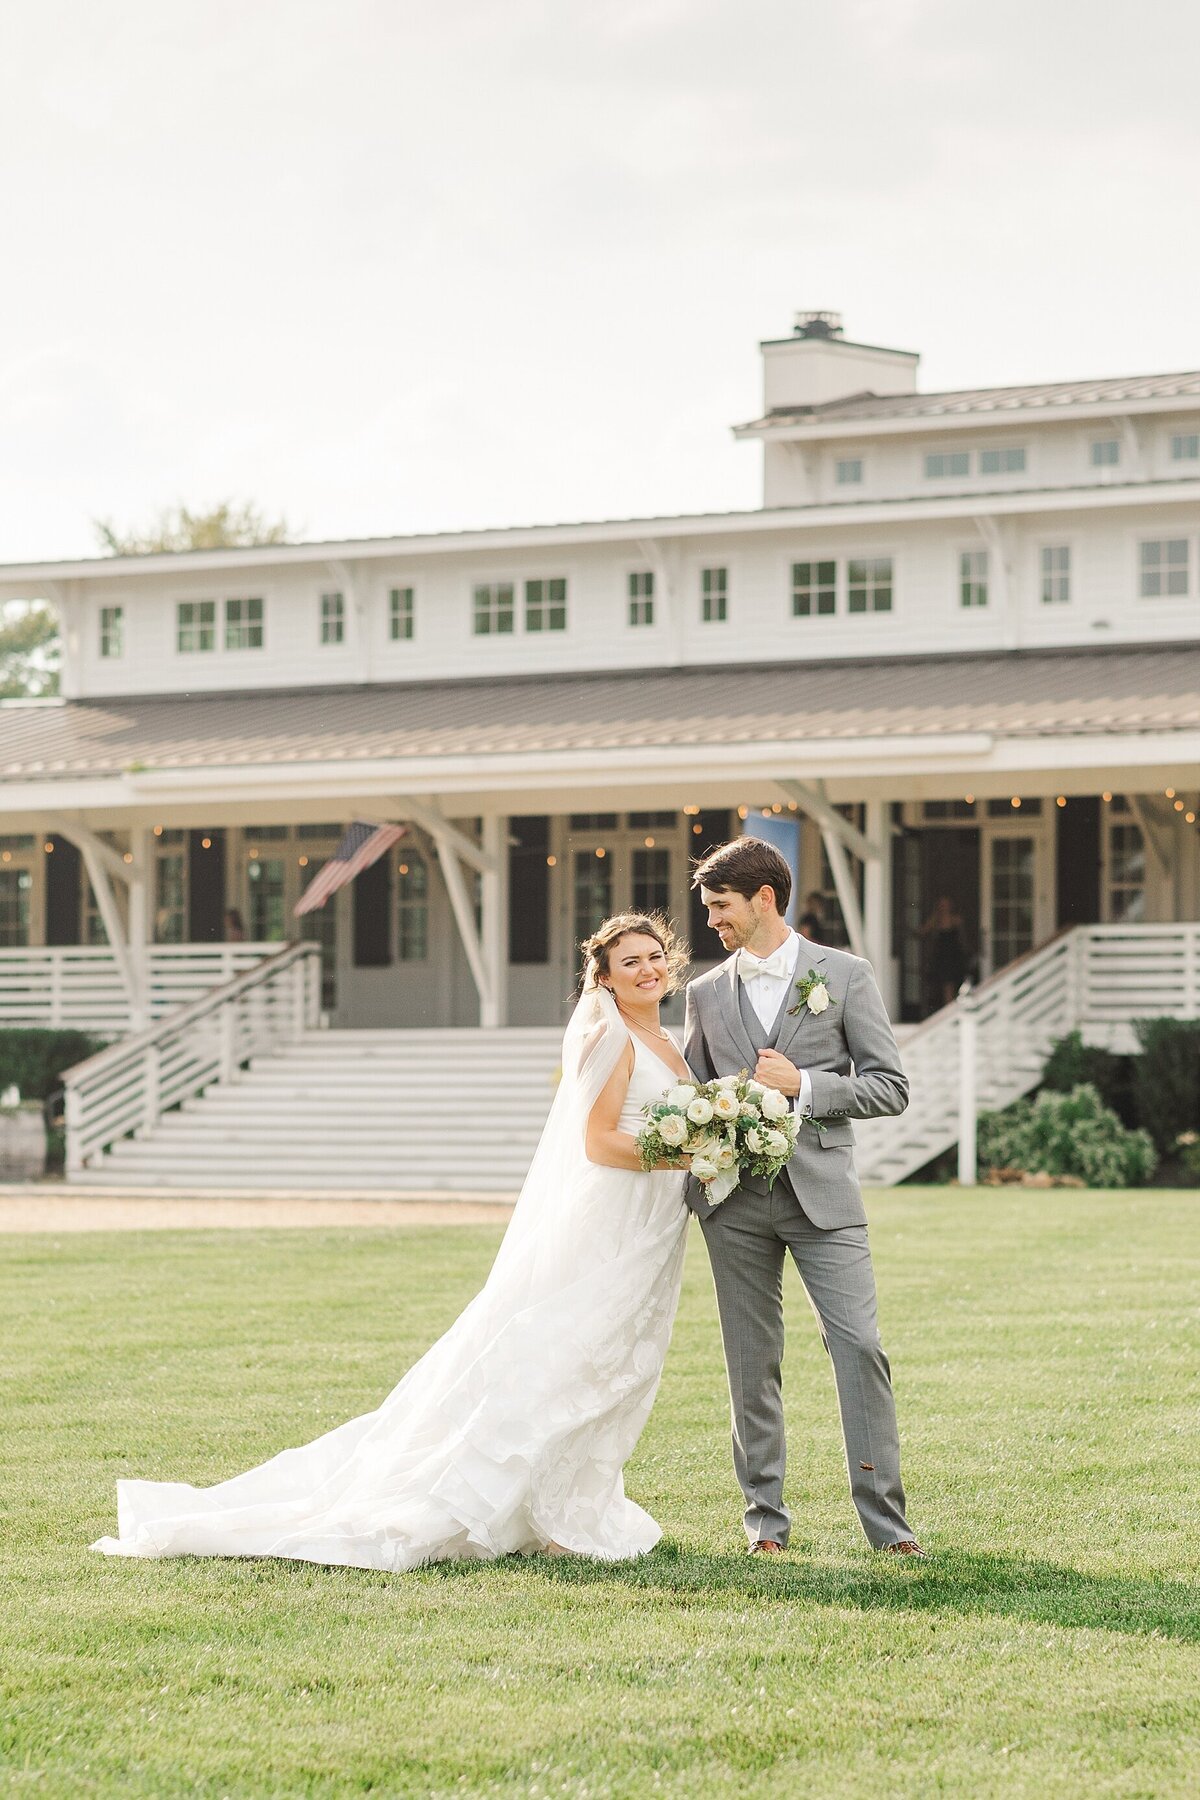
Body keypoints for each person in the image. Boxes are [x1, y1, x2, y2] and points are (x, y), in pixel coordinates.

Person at [92, 914, 691, 1570]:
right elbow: (598, 1141)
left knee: (617, 1364)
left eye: (654, 955)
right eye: (629, 961)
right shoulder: (608, 1035)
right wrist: (689, 1156)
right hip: (608, 1220)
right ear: (601, 977)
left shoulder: (663, 1036)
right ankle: (542, 1513)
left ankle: (575, 1500)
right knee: (570, 1357)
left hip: (650, 1223)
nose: (647, 969)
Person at [684, 837, 923, 1558]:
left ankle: (887, 1528)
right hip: (734, 1204)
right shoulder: (702, 993)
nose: (713, 924)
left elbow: (892, 1086)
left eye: (721, 908)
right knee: (750, 1363)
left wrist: (807, 1087)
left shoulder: (844, 976)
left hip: (825, 1198)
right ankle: (765, 1524)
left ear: (764, 898)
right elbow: (697, 1093)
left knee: (859, 1349)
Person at [919, 895, 968, 1010]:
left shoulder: (956, 919)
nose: (944, 907)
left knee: (952, 983)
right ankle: (947, 1011)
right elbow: (922, 931)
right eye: (941, 905)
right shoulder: (935, 919)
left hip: (953, 954)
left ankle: (952, 1010)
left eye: (946, 904)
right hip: (941, 954)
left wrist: (965, 951)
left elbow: (962, 938)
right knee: (943, 984)